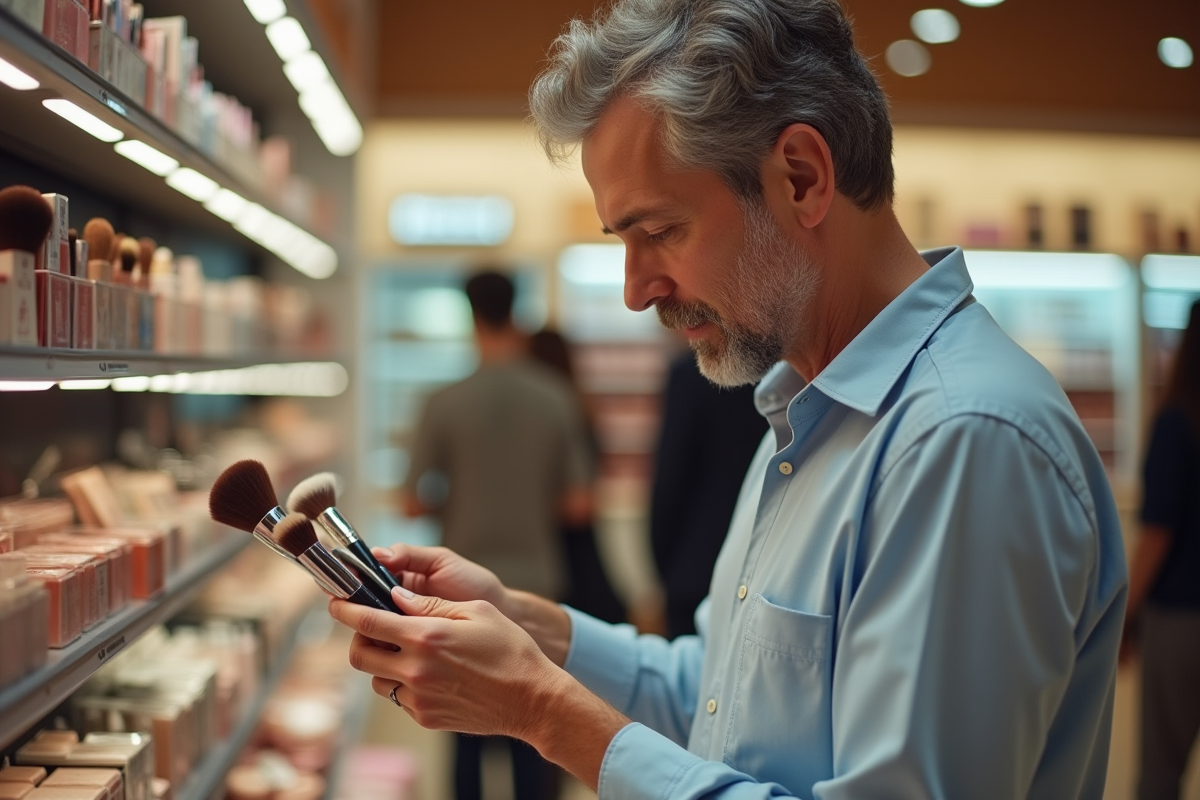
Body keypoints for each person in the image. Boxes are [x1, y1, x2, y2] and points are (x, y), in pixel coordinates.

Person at [336, 2, 1128, 799]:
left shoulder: (964, 440)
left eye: (660, 231)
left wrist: (543, 712)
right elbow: (720, 702)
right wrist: (532, 629)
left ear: (801, 178)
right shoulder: (803, 407)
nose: (636, 290)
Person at [402, 270, 593, 800]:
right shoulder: (555, 396)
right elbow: (578, 504)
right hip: (537, 588)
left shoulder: (443, 401)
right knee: (536, 733)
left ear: (471, 317)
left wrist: (463, 496)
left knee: (465, 732)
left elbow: (410, 501)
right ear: (516, 312)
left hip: (456, 591)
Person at [1123, 300, 1200, 800]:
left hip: (1180, 620)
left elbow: (1157, 533)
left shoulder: (1177, 422)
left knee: (1160, 773)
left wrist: (1125, 616)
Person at [650, 349, 769, 638]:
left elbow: (671, 475)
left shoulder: (691, 373)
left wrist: (666, 564)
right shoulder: (785, 371)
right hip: (765, 561)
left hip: (694, 561)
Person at [528, 328, 627, 625]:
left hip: (562, 546)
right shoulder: (579, 406)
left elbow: (579, 503)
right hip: (581, 544)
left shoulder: (556, 410)